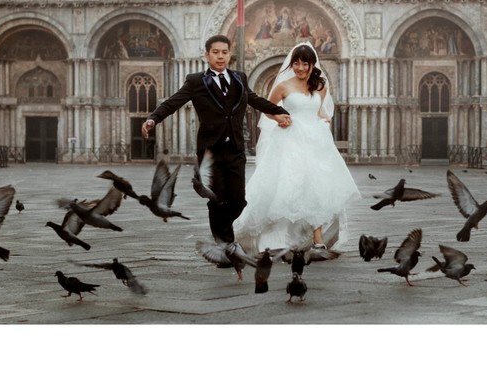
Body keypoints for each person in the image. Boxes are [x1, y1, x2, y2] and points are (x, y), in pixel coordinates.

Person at [141, 35, 291, 245]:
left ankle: (223, 234)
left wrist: (279, 111)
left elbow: (254, 99)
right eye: (215, 52)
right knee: (218, 200)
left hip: (236, 149)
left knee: (238, 201)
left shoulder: (240, 77)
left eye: (224, 52)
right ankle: (225, 245)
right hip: (211, 151)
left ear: (229, 54)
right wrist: (153, 119)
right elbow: (173, 102)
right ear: (207, 55)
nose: (220, 57)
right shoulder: (195, 81)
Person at [234, 42, 361, 253]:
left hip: (315, 141)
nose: (301, 68)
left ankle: (318, 238)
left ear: (312, 65)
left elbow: (319, 111)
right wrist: (279, 118)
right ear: (292, 65)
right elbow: (267, 110)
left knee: (316, 186)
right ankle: (280, 237)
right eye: (297, 64)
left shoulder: (320, 87)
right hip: (290, 139)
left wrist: (323, 119)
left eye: (305, 64)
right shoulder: (283, 87)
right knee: (289, 186)